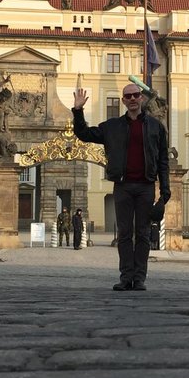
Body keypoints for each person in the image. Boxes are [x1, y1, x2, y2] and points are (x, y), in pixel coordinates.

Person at [72, 83, 170, 291]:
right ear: (123, 101)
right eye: (128, 96)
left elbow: (163, 160)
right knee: (125, 233)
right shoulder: (112, 127)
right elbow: (84, 134)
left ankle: (139, 278)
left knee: (143, 234)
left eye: (136, 95)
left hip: (146, 186)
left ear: (141, 98)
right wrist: (78, 110)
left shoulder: (155, 127)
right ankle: (126, 277)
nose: (133, 99)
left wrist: (165, 190)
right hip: (123, 186)